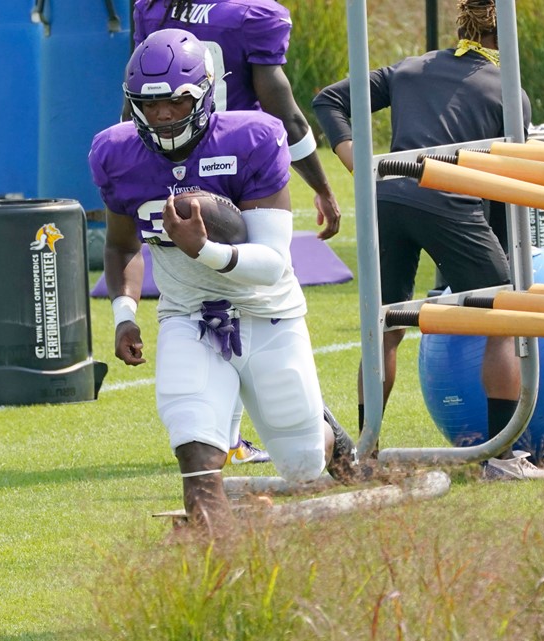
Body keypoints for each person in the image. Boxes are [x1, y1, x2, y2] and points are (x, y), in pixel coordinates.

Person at [90, 28, 358, 536]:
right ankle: (219, 565)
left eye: (175, 102)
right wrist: (124, 314)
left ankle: (329, 438)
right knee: (192, 436)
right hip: (188, 314)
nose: (162, 115)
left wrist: (205, 249)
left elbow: (274, 262)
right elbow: (122, 245)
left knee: (302, 464)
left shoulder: (251, 138)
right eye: (149, 105)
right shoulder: (117, 153)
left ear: (205, 94)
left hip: (267, 312)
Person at [312, 0, 544, 480]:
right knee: (504, 318)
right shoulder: (510, 92)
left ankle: (368, 454)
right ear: (504, 37)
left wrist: (363, 167)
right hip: (447, 201)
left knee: (384, 327)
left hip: (388, 197)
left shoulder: (410, 67)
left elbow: (328, 99)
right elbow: (508, 188)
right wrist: (502, 264)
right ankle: (501, 461)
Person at [133, 0, 343, 467]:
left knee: (207, 307)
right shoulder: (253, 14)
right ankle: (304, 436)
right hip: (238, 166)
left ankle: (295, 432)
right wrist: (323, 187)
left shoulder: (153, 8)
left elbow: (138, 102)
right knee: (246, 306)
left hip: (171, 166)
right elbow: (285, 114)